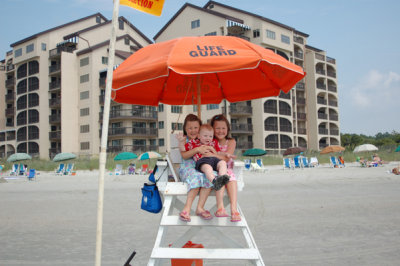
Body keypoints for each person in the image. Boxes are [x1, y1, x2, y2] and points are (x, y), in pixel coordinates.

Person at [176, 114, 214, 222]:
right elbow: (184, 155)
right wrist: (197, 149)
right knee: (197, 176)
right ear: (185, 129)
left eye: (196, 128)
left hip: (201, 169)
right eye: (190, 128)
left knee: (207, 176)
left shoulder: (203, 139)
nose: (193, 130)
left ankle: (200, 208)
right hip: (187, 169)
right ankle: (186, 209)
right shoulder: (184, 140)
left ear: (200, 128)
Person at [210, 114, 241, 222]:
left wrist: (214, 154)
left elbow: (227, 159)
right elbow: (215, 158)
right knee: (221, 177)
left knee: (230, 177)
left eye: (223, 128)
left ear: (227, 129)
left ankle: (233, 209)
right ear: (212, 129)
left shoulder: (231, 141)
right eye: (217, 128)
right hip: (214, 168)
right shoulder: (211, 141)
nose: (220, 131)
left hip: (227, 169)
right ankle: (220, 207)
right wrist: (219, 155)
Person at [184, 124, 230, 190]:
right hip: (203, 161)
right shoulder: (194, 143)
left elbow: (218, 153)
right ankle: (214, 181)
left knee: (222, 163)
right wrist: (181, 142)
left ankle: (222, 177)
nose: (208, 138)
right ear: (199, 136)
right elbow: (184, 150)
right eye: (205, 136)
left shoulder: (214, 142)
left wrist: (226, 154)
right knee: (207, 168)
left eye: (210, 136)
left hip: (214, 159)